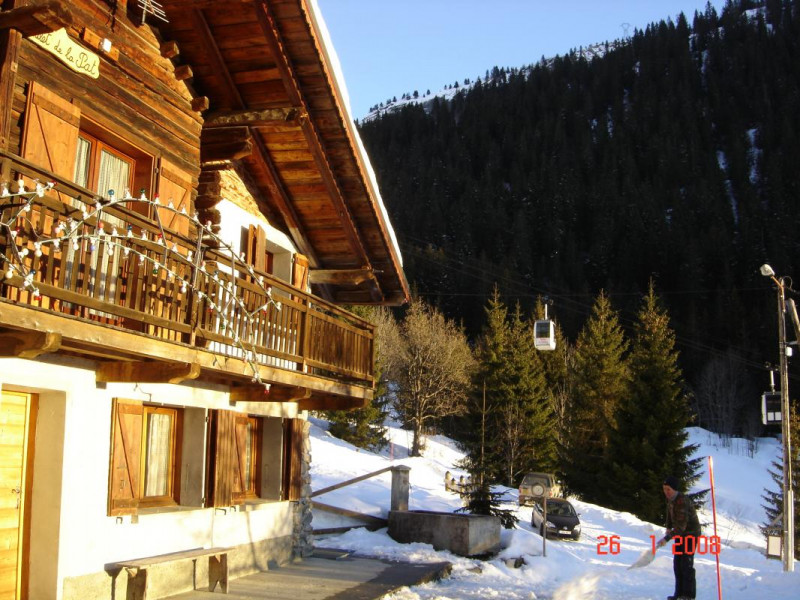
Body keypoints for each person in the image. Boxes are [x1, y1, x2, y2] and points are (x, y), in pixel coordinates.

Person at [656, 475, 701, 600]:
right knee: (677, 564)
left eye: (668, 489)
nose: (666, 492)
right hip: (680, 534)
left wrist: (666, 538)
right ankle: (679, 594)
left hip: (690, 534)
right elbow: (670, 514)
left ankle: (688, 596)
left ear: (675, 489)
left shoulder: (682, 501)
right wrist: (668, 527)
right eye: (664, 489)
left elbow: (681, 527)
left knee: (686, 564)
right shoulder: (671, 499)